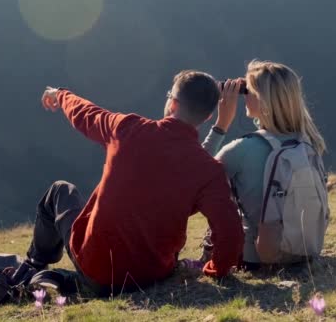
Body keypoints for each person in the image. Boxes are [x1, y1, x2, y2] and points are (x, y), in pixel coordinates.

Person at [26, 70, 244, 297]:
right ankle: (59, 277)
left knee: (60, 191)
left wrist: (60, 94)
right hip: (154, 274)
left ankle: (34, 264)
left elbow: (86, 113)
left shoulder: (127, 129)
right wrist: (215, 270)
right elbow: (230, 231)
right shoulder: (208, 170)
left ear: (173, 105)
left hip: (97, 270)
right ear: (208, 118)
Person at [200, 60, 328, 269]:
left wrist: (221, 124)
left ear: (263, 100)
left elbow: (196, 174)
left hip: (254, 258)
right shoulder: (309, 141)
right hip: (303, 249)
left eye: (248, 91)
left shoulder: (241, 150)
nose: (244, 97)